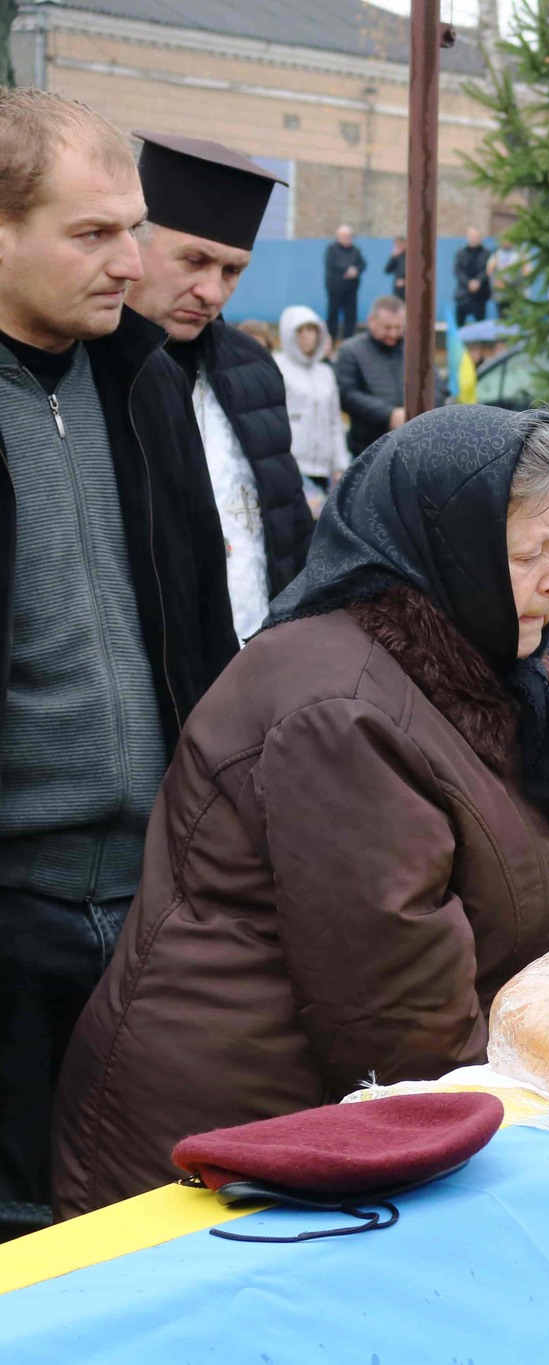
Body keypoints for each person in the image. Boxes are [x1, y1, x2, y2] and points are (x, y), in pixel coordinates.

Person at [50, 404, 549, 1216]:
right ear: (444, 551)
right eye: (529, 553)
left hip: (315, 1129)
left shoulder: (473, 667)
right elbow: (400, 1025)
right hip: (224, 1154)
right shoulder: (343, 710)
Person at [0, 89, 242, 1239]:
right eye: (93, 233)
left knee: (142, 1223)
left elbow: (201, 626)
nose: (133, 261)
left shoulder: (146, 382)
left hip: (153, 901)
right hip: (11, 908)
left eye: (134, 227)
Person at [127, 132, 315, 645]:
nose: (212, 291)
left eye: (232, 270)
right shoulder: (85, 367)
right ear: (134, 241)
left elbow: (287, 524)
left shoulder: (252, 366)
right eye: (194, 260)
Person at [334, 294, 423, 461]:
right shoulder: (351, 351)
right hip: (367, 449)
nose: (393, 333)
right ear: (371, 321)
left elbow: (434, 385)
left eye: (398, 327)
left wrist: (419, 414)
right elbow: (346, 394)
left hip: (411, 447)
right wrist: (388, 415)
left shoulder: (413, 350)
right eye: (387, 327)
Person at [275, 304, 346, 494]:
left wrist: (340, 466)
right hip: (290, 467)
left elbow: (334, 422)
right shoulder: (278, 367)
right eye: (300, 330)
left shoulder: (325, 373)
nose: (306, 336)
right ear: (288, 334)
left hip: (323, 469)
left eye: (311, 329)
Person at [324, 223, 365, 342]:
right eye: (344, 236)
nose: (347, 238)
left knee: (351, 316)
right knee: (333, 314)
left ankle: (349, 340)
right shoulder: (332, 249)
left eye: (349, 236)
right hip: (335, 289)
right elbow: (333, 265)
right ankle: (331, 339)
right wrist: (348, 270)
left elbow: (362, 264)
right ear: (338, 236)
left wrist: (356, 270)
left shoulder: (355, 250)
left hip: (351, 290)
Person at [455, 226, 492, 327]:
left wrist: (478, 282)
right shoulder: (461, 253)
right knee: (460, 326)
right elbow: (458, 271)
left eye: (476, 236)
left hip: (480, 296)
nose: (474, 239)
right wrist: (469, 283)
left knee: (480, 327)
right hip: (463, 295)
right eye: (472, 236)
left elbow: (487, 270)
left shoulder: (486, 253)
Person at [386, 232, 407, 303]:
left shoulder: (410, 256)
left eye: (400, 244)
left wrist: (405, 281)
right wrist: (392, 258)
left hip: (409, 289)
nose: (398, 246)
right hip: (398, 289)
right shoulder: (396, 257)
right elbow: (387, 270)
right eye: (396, 244)